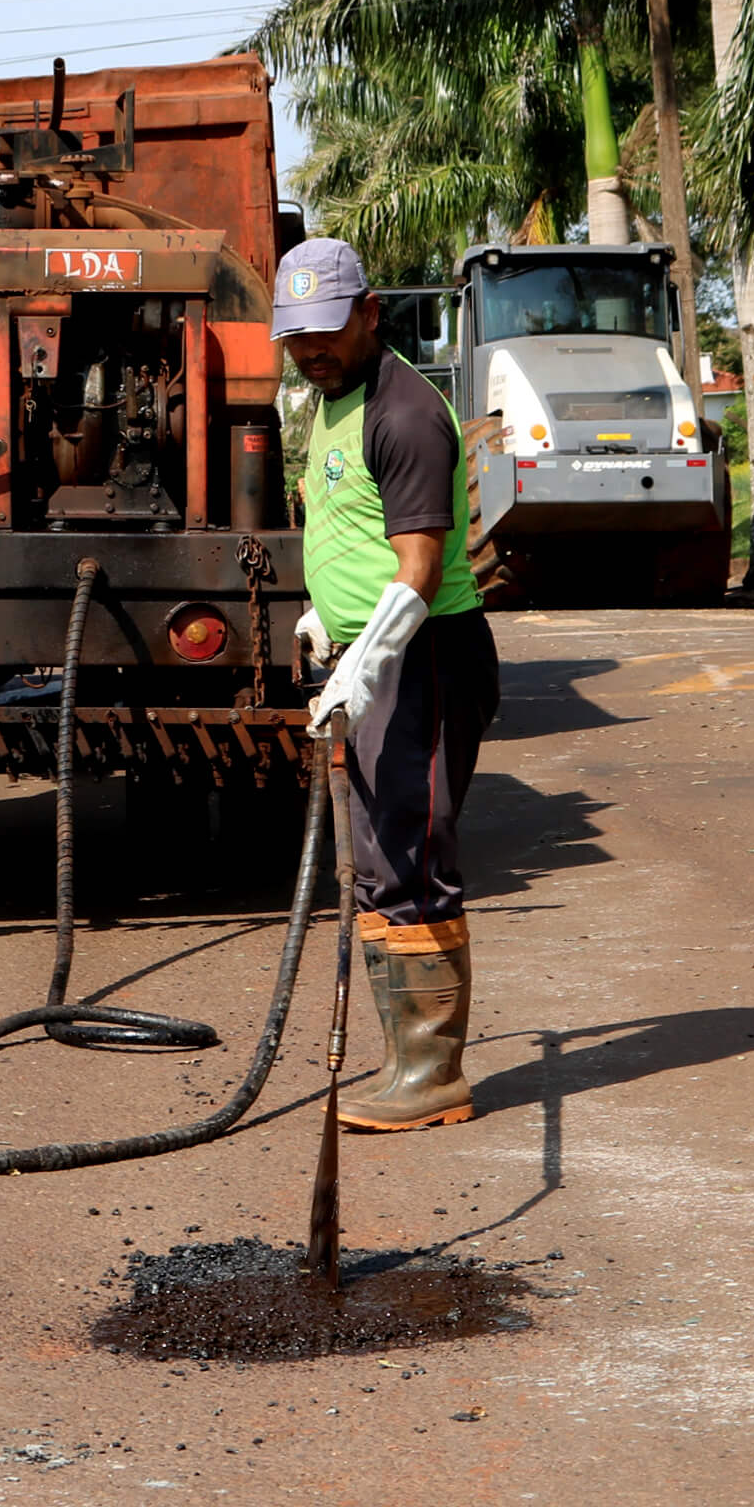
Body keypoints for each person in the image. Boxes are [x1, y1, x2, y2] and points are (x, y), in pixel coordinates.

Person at [279, 237, 500, 1131]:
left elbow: (415, 568)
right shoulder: (330, 399)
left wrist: (360, 669)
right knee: (377, 860)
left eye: (328, 331)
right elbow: (342, 524)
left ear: (371, 312)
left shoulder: (404, 413)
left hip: (425, 661)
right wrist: (319, 617)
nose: (312, 350)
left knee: (410, 856)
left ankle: (433, 1072)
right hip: (372, 655)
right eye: (297, 336)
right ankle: (404, 1056)